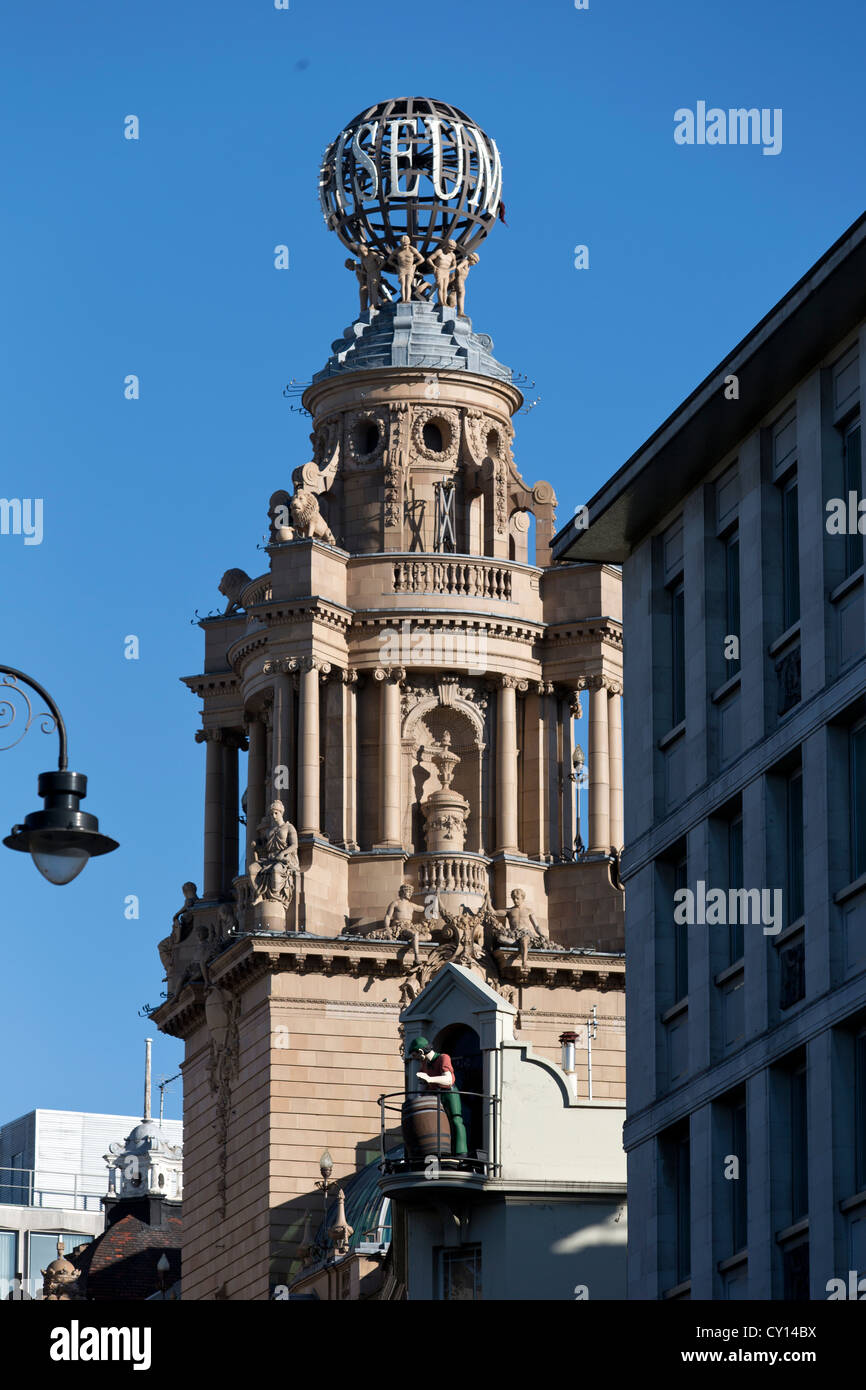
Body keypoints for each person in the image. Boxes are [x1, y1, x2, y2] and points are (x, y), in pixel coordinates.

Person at [407, 1036, 468, 1156]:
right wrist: (417, 1099)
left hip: (449, 1093)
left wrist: (430, 1079)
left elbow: (449, 1079)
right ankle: (442, 1150)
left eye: (415, 1056)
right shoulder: (424, 1064)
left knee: (455, 1120)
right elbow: (422, 1083)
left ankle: (461, 1152)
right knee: (436, 1123)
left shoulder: (443, 1058)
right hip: (434, 1096)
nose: (416, 1059)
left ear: (421, 1052)